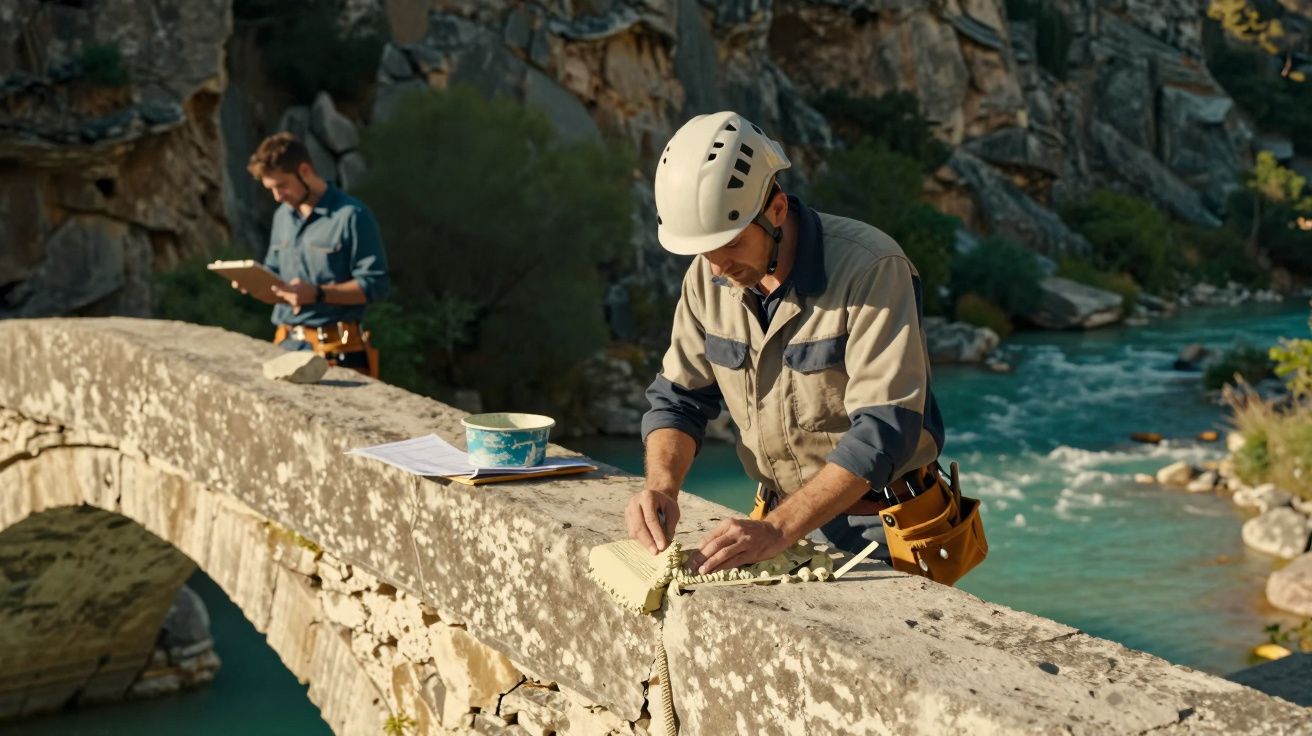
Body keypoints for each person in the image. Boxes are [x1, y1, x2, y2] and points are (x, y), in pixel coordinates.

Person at [626, 111, 949, 576]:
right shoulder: (708, 276)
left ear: (776, 209)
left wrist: (778, 530)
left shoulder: (873, 268)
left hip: (883, 526)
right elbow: (679, 400)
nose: (717, 268)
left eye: (732, 244)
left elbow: (884, 429)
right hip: (778, 517)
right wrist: (661, 487)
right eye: (706, 251)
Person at [242, 132, 389, 377]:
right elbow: (275, 273)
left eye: (282, 186)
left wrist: (318, 294)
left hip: (336, 350)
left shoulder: (352, 216)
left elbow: (376, 285)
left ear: (305, 171)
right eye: (271, 189)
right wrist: (255, 282)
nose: (277, 197)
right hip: (285, 343)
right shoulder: (282, 217)